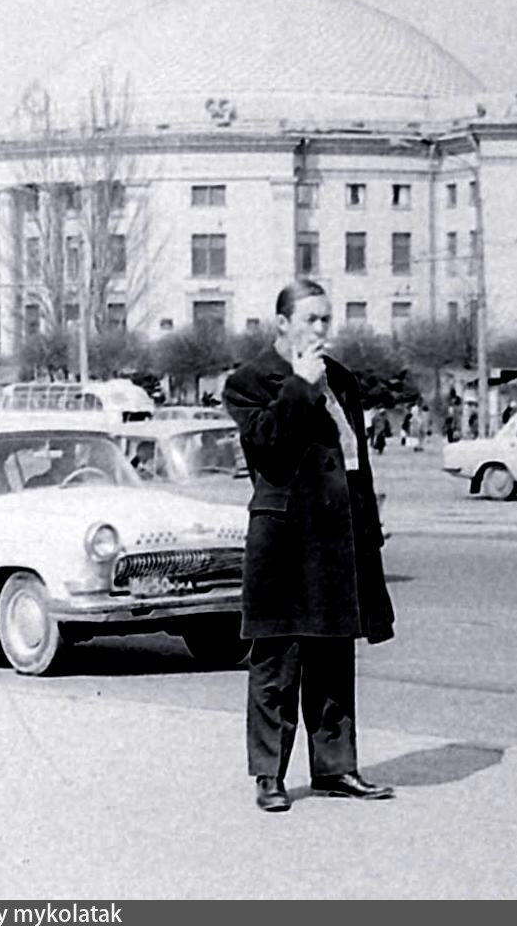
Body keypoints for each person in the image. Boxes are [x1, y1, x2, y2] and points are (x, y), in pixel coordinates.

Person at [222, 280, 396, 814]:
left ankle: (336, 768)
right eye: (311, 319)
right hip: (285, 540)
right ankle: (269, 775)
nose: (321, 329)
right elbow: (269, 447)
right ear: (282, 324)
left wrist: (368, 531)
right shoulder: (249, 381)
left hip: (336, 538)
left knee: (333, 655)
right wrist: (299, 383)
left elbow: (355, 464)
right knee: (277, 661)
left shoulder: (341, 378)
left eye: (327, 319)